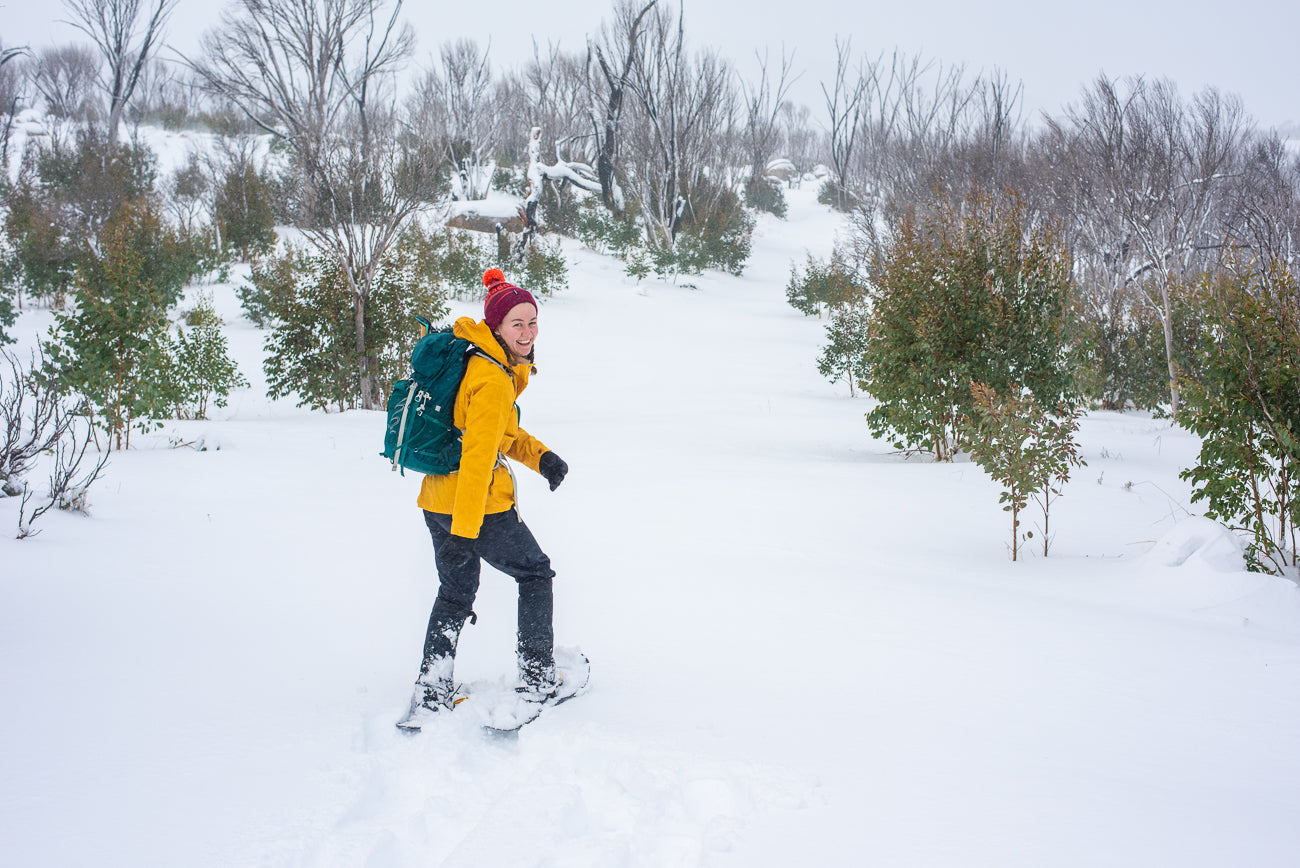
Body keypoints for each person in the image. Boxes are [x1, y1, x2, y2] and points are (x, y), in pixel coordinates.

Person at [401, 268, 569, 728]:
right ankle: (537, 678)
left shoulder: (479, 361)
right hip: (476, 507)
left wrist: (543, 458)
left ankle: (432, 687)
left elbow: (497, 434)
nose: (528, 332)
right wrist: (467, 528)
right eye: (517, 323)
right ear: (497, 326)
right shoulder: (493, 380)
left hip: (437, 499)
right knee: (535, 573)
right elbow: (478, 459)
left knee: (455, 592)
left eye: (533, 322)